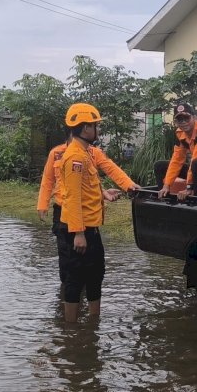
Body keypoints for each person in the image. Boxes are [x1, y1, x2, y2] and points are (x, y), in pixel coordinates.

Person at [57, 103, 127, 323]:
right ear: (86, 128)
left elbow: (86, 188)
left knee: (96, 275)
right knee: (75, 279)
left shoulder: (86, 153)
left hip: (91, 229)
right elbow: (72, 197)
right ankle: (71, 330)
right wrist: (78, 233)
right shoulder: (75, 158)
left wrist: (103, 193)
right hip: (79, 231)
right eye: (95, 125)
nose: (98, 129)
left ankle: (93, 325)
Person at [155, 103, 197, 200]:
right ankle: (164, 196)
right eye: (180, 119)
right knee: (160, 166)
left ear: (194, 118)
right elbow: (177, 160)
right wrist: (167, 184)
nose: (183, 122)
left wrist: (189, 187)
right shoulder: (180, 133)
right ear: (176, 122)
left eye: (186, 118)